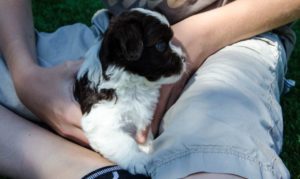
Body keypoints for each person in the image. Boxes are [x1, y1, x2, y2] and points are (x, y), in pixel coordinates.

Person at [0, 0, 299, 178]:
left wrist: (195, 36)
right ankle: (88, 170)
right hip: (118, 40)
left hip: (233, 37)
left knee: (215, 163)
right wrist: (25, 74)